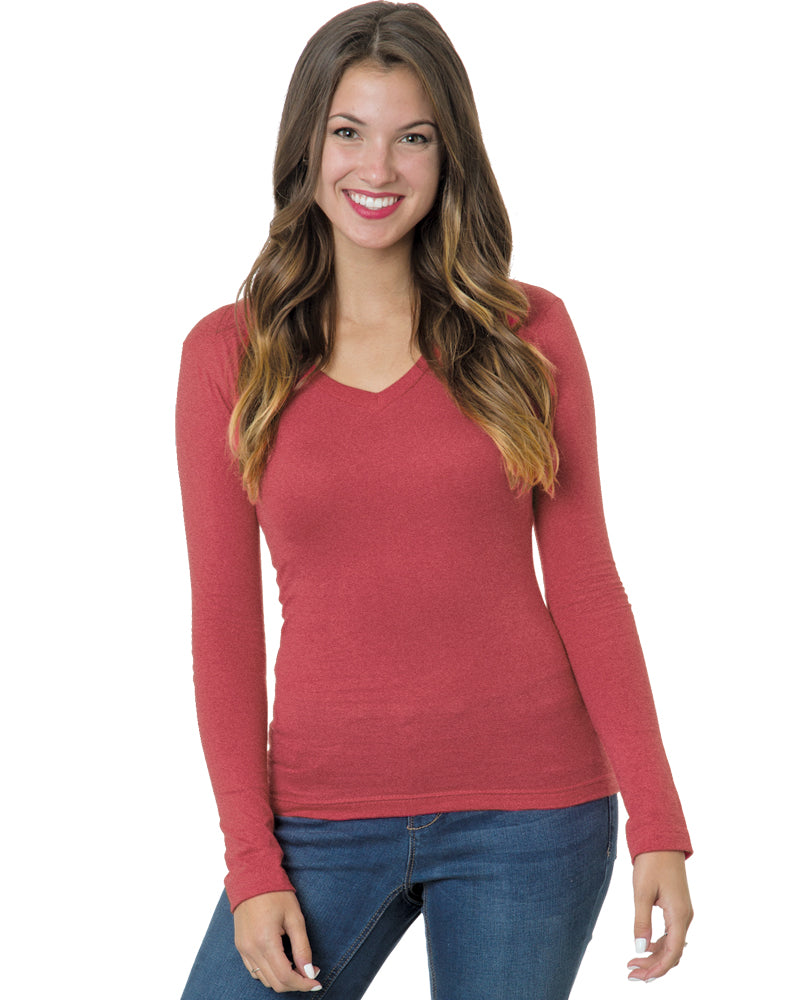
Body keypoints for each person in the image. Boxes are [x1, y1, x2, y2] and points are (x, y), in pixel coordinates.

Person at [175, 3, 693, 997]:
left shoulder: (527, 335)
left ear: (449, 153)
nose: (377, 168)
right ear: (306, 144)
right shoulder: (228, 357)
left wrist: (657, 821)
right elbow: (224, 627)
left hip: (532, 815)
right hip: (319, 818)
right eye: (348, 131)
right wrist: (251, 864)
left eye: (412, 137)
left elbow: (586, 582)